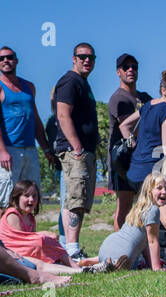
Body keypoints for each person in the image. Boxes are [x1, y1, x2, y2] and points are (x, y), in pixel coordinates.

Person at [50, 42, 100, 262]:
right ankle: (71, 248)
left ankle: (69, 246)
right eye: (82, 56)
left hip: (84, 151)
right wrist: (77, 147)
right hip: (73, 151)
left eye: (90, 57)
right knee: (75, 199)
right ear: (74, 58)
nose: (86, 60)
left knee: (78, 199)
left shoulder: (83, 83)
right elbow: (62, 115)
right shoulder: (70, 81)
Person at [0, 47, 56, 211]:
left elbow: (35, 119)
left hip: (30, 149)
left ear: (16, 60)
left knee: (31, 196)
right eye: (1, 58)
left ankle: (26, 234)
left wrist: (45, 148)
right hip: (9, 151)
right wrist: (2, 151)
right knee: (6, 198)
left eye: (9, 57)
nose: (5, 61)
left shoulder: (29, 87)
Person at [121, 70, 166, 192]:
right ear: (164, 90)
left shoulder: (148, 105)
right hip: (154, 174)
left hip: (134, 173)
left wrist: (133, 146)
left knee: (142, 209)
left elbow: (124, 126)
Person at [105, 53, 149, 230]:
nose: (131, 70)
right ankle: (120, 248)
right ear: (118, 72)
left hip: (141, 158)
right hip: (122, 159)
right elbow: (128, 127)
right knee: (124, 205)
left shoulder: (145, 97)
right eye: (126, 67)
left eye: (134, 67)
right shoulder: (119, 98)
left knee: (143, 204)